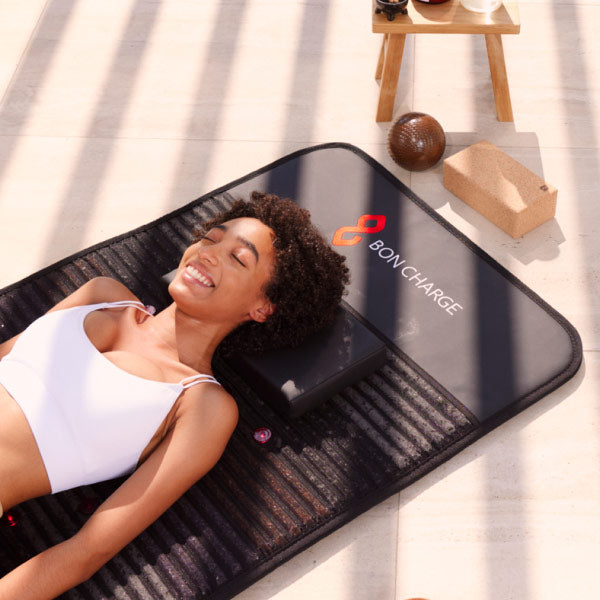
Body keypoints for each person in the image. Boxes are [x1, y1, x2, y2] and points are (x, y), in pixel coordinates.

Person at [0, 191, 349, 599]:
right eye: (210, 238)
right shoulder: (102, 292)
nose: (208, 253)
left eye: (239, 258)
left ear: (262, 307)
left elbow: (86, 551)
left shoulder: (201, 406)